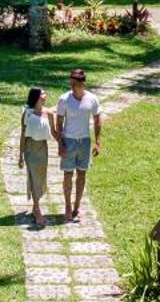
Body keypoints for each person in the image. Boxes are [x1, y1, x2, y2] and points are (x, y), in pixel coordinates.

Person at [55, 67, 102, 222]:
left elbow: (97, 119)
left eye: (77, 83)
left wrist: (98, 141)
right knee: (68, 174)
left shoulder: (92, 99)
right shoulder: (64, 99)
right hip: (69, 141)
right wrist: (60, 143)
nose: (74, 86)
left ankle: (77, 206)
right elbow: (59, 121)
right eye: (72, 82)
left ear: (83, 83)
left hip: (84, 142)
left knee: (82, 174)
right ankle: (68, 206)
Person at [19, 87, 55, 228]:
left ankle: (35, 205)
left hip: (43, 148)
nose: (45, 96)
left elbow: (54, 131)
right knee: (33, 177)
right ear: (36, 97)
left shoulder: (49, 113)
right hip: (30, 149)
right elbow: (23, 135)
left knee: (41, 177)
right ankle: (37, 208)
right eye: (42, 94)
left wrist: (62, 144)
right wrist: (20, 156)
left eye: (45, 93)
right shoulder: (27, 113)